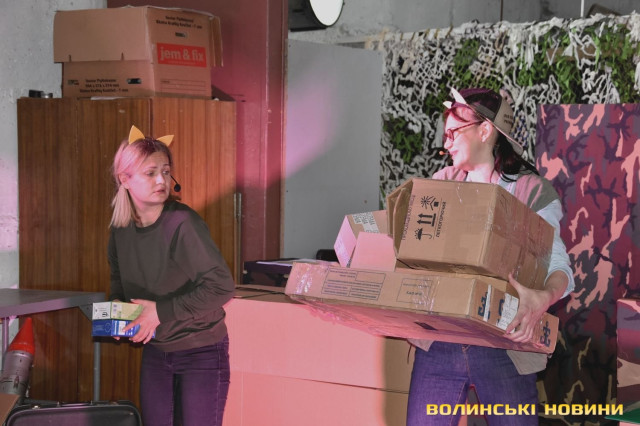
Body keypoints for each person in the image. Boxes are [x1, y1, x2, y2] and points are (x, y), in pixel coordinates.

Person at [406, 88, 575, 425]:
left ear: (484, 130)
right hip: (440, 341)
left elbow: (558, 267)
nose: (446, 142)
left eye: (454, 132)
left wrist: (542, 298)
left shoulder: (530, 191)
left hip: (505, 344)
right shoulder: (441, 184)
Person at [107, 125, 236, 426]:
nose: (161, 180)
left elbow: (221, 287)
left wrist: (159, 312)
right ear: (124, 179)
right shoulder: (120, 229)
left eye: (166, 172)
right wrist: (119, 313)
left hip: (200, 351)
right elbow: (118, 282)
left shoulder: (183, 223)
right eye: (150, 173)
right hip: (156, 351)